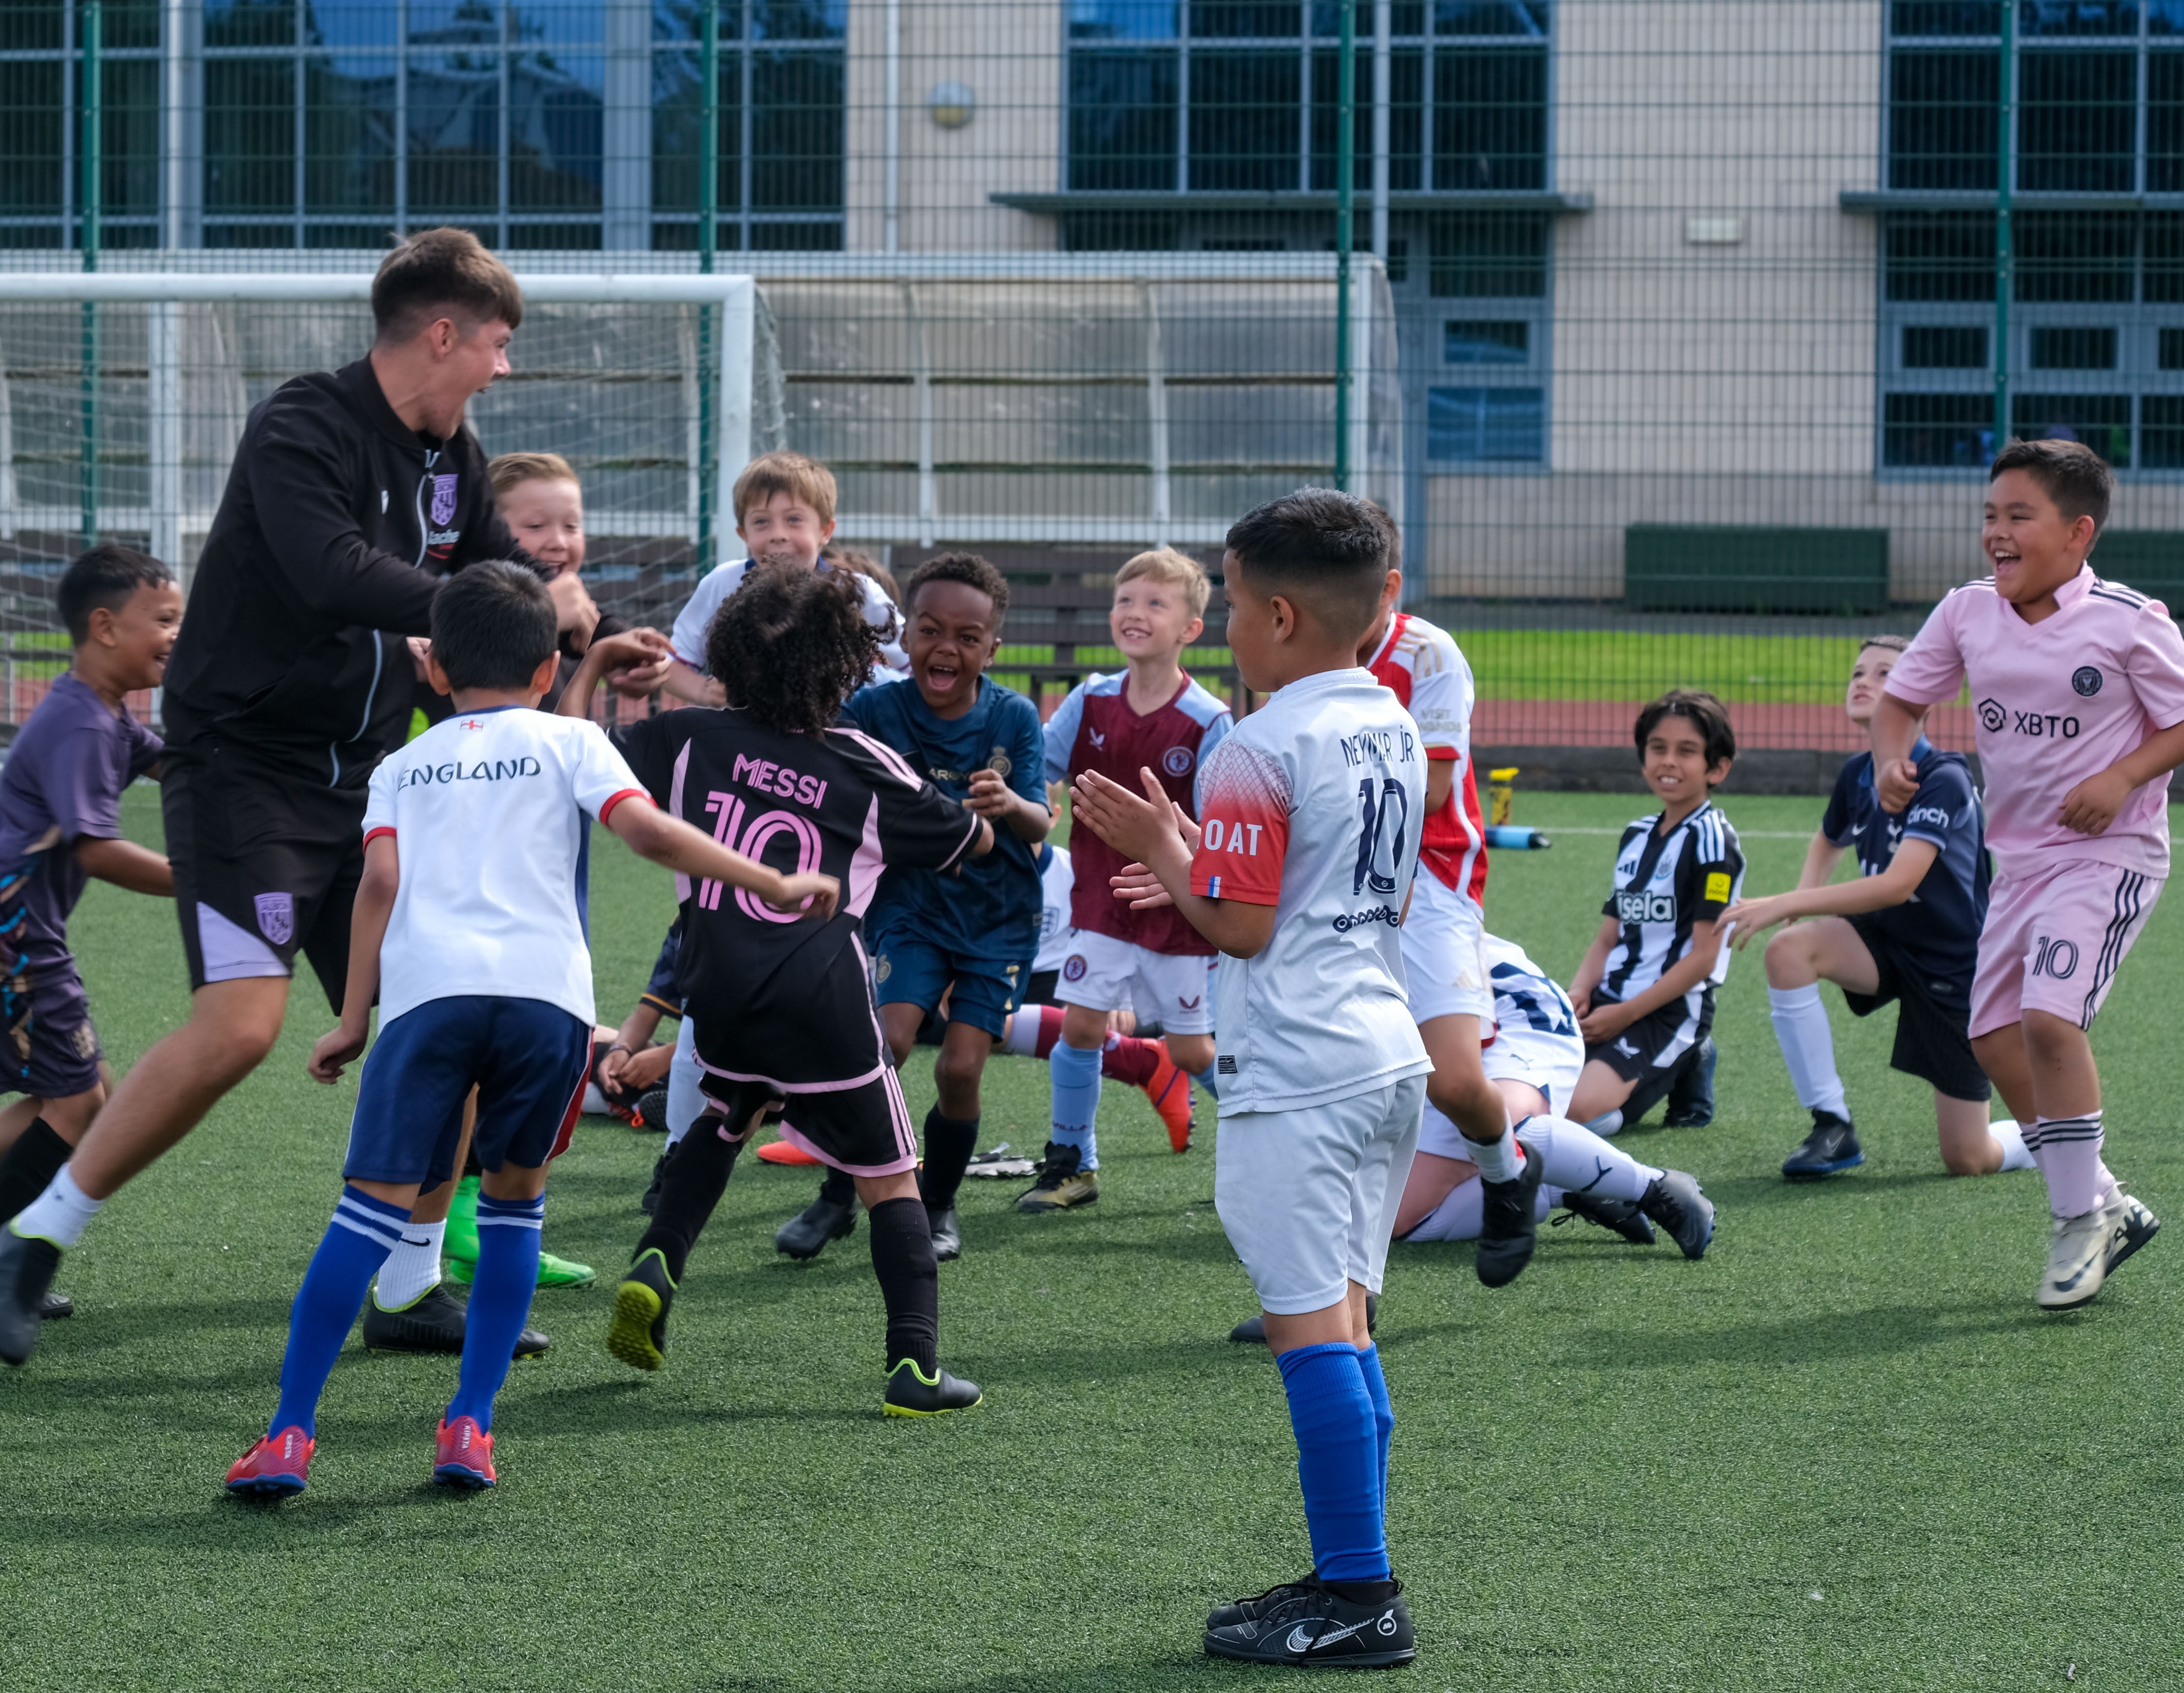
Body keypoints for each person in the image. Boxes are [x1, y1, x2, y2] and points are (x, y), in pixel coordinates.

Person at [0, 229, 608, 1366]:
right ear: (442, 333)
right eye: (496, 343)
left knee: (451, 1004)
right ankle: (35, 1234)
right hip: (246, 773)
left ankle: (411, 1285)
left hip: (371, 781)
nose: (502, 368)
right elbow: (335, 572)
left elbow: (497, 591)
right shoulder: (303, 425)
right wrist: (489, 606)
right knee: (241, 1026)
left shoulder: (457, 458)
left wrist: (576, 621)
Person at [221, 563, 829, 1496]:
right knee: (514, 1207)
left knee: (364, 1214)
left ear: (433, 669)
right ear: (549, 668)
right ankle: (469, 1426)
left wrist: (352, 1017)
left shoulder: (399, 766)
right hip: (544, 1006)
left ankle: (289, 1437)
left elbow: (377, 887)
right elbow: (650, 833)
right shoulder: (570, 742)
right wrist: (774, 882)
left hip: (427, 1003)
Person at [1071, 488, 1428, 1669]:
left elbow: (1238, 927)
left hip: (1298, 1067)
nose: (1221, 624)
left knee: (1308, 1327)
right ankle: (1346, 1575)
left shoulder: (1258, 743)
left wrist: (1160, 847)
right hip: (1382, 1055)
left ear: (1276, 613)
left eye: (1225, 602)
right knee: (1344, 1321)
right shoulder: (1385, 719)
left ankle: (1360, 1596)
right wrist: (1186, 854)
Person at [566, 567, 994, 1417]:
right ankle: (912, 1367)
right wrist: (986, 818)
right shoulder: (862, 763)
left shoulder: (685, 736)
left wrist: (588, 667)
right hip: (822, 993)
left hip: (718, 987)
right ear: (844, 668)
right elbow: (967, 840)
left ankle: (656, 1263)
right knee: (890, 1178)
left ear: (728, 653)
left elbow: (573, 757)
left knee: (720, 1124)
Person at [1872, 439, 2184, 1309]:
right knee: (1990, 1039)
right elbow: (1900, 700)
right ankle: (2102, 1201)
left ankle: (2072, 1220)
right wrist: (1890, 758)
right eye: (1988, 516)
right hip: (2018, 867)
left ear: (2076, 532)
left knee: (2048, 1022)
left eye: (2018, 517)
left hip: (2107, 857)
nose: (1995, 534)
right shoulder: (1966, 610)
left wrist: (2121, 776)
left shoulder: (2128, 621)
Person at [1228, 933, 1714, 1341]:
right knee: (1395, 1213)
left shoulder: (1382, 907)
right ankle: (1560, 1184)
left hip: (1512, 1019)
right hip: (1426, 1029)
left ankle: (1655, 1187)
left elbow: (1456, 1058)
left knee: (1493, 1118)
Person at [773, 552, 1048, 1265]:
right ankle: (837, 1197)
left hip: (996, 915)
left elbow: (1041, 824)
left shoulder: (1013, 715)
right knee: (885, 1042)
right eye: (929, 630)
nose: (945, 648)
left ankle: (939, 1203)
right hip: (910, 901)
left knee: (959, 1070)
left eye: (966, 636)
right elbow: (822, 772)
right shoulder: (874, 709)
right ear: (908, 639)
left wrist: (1009, 803)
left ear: (992, 647)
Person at [1723, 636, 2029, 1182]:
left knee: (1967, 1157)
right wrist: (1802, 901)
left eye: (1886, 673)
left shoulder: (1944, 778)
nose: (1864, 681)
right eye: (1858, 672)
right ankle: (1832, 1125)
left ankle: (2049, 1130)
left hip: (1953, 966)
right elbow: (1828, 838)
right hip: (1885, 940)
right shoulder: (1857, 773)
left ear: (1923, 696)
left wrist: (1786, 901)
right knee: (1789, 951)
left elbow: (1897, 883)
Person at [0, 548, 181, 1326]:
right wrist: (201, 878)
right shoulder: (79, 721)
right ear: (104, 627)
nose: (177, 634)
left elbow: (174, 764)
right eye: (165, 619)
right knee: (76, 1102)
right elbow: (95, 847)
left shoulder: (106, 707)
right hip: (17, 933)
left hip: (22, 927)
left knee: (72, 1095)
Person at [1354, 556, 1544, 1286]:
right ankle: (1339, 1306)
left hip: (1430, 876)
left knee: (1455, 1082)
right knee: (1355, 1092)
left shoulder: (1424, 651)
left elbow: (1432, 790)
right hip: (1338, 878)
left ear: (1388, 586)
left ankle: (1509, 1174)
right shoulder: (1299, 647)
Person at [1027, 547, 1231, 1211]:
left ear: (1189, 629)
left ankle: (1273, 1137)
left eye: (1154, 602)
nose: (1133, 613)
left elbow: (1218, 829)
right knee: (1080, 1028)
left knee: (1193, 1051)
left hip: (1175, 912)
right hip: (1101, 904)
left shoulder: (1207, 720)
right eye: (1124, 600)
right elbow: (1041, 766)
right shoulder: (1089, 698)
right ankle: (1072, 1165)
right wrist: (1032, 798)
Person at [1567, 691, 1746, 1136]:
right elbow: (1609, 936)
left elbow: (1705, 958)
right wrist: (1578, 993)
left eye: (1687, 751)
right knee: (1527, 1086)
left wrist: (1626, 1014)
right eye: (1658, 748)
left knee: (1575, 1112)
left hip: (1667, 1012)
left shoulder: (1712, 842)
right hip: (1610, 1001)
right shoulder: (1637, 834)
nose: (1669, 761)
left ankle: (1691, 1055)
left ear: (1717, 768)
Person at [661, 450, 904, 705]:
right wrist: (703, 690)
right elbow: (669, 664)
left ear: (825, 530)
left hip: (829, 737)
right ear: (744, 534)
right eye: (762, 522)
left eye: (794, 519)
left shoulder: (857, 592)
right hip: (743, 738)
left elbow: (911, 661)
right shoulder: (723, 583)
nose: (778, 534)